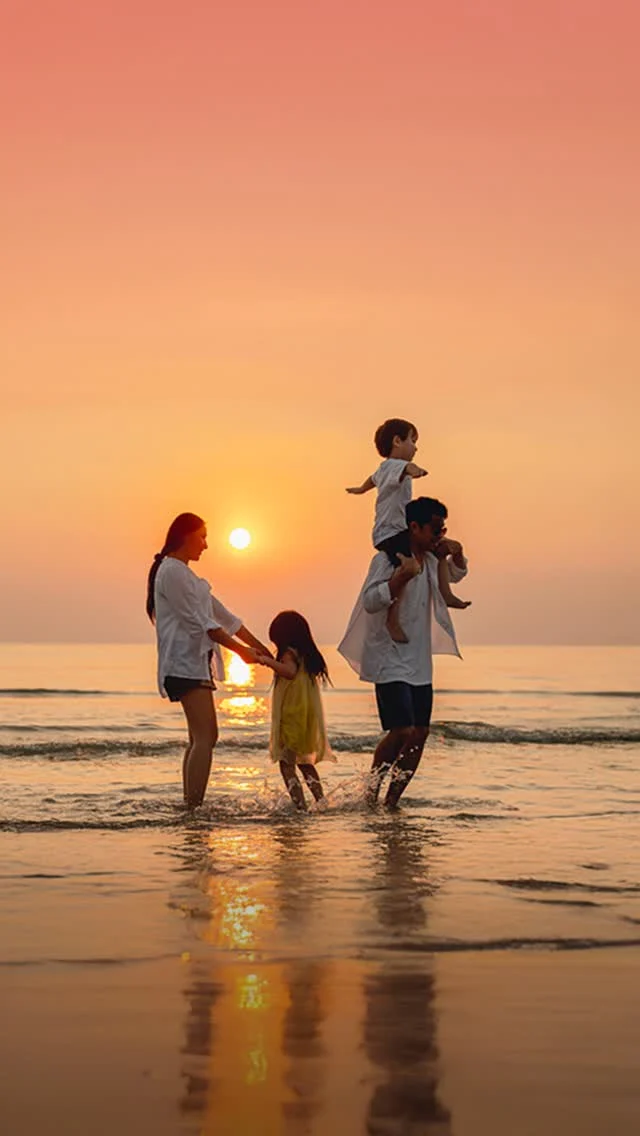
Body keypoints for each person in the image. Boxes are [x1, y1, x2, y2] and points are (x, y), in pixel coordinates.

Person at [338, 496, 468, 809]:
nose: (439, 535)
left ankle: (392, 801)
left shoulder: (432, 560)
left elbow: (456, 574)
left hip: (420, 662)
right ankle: (371, 793)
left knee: (420, 732)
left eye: (442, 529)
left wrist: (458, 552)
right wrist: (400, 576)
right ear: (414, 527)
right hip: (389, 658)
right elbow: (371, 600)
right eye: (434, 529)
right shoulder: (388, 559)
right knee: (401, 730)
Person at [146, 512, 271, 809]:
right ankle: (193, 807)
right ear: (185, 535)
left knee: (199, 738)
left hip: (195, 663)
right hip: (183, 664)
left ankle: (190, 805)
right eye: (202, 537)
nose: (205, 545)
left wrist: (261, 648)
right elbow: (202, 623)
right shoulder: (172, 571)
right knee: (206, 737)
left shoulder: (188, 576)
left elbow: (224, 617)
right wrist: (242, 653)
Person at [346, 417, 470, 642]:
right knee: (406, 568)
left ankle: (447, 594)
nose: (416, 447)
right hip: (391, 532)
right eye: (412, 440)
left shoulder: (382, 470)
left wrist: (361, 489)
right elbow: (407, 468)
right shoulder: (396, 466)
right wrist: (416, 470)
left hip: (391, 530)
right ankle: (393, 618)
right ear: (397, 441)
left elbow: (371, 480)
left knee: (438, 551)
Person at [257, 610, 335, 811]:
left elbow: (289, 672)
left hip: (292, 716)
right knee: (305, 763)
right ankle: (321, 801)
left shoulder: (289, 654)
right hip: (305, 716)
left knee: (287, 763)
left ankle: (299, 806)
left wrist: (267, 662)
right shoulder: (306, 656)